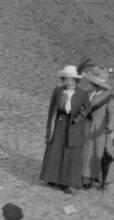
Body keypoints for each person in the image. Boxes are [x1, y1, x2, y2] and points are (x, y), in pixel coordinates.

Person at [40, 65, 88, 193]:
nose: (69, 82)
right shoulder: (58, 91)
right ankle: (51, 177)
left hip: (73, 127)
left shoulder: (82, 94)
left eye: (72, 79)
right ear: (63, 79)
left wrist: (78, 118)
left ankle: (65, 182)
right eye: (66, 79)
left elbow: (87, 109)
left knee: (68, 154)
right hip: (59, 124)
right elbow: (51, 110)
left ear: (76, 80)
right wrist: (49, 127)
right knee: (55, 151)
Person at [79, 65, 114, 189]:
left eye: (91, 81)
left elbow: (112, 114)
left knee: (97, 154)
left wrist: (110, 126)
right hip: (86, 127)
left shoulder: (109, 98)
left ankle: (100, 179)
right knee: (85, 153)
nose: (89, 83)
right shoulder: (88, 93)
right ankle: (85, 179)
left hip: (100, 131)